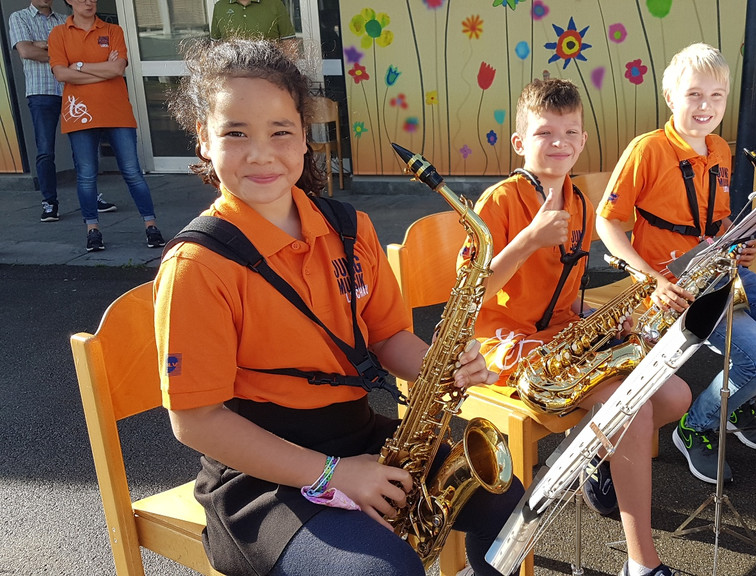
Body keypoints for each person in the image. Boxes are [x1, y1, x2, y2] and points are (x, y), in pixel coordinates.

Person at [158, 38, 522, 576]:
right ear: (204, 142)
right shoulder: (197, 265)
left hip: (357, 437)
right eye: (236, 133)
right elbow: (196, 422)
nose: (261, 152)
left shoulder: (351, 230)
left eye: (280, 131)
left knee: (510, 503)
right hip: (258, 479)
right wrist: (333, 474)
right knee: (383, 570)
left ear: (306, 138)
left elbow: (388, 339)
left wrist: (443, 366)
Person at [468, 77, 690, 576]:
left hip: (562, 333)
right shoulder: (498, 203)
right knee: (626, 410)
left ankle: (592, 456)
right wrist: (526, 241)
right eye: (546, 133)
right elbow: (470, 296)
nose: (560, 143)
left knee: (675, 396)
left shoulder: (581, 199)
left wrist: (610, 319)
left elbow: (567, 293)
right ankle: (642, 564)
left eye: (571, 132)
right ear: (520, 142)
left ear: (584, 140)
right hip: (502, 344)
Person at [596, 43, 756, 486]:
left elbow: (715, 217)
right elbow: (606, 222)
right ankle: (696, 425)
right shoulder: (646, 150)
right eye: (694, 95)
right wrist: (651, 279)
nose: (706, 106)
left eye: (717, 96)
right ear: (670, 98)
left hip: (721, 271)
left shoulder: (720, 149)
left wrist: (739, 240)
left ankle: (735, 401)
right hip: (674, 284)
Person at [48, 0, 162, 252]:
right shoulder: (58, 33)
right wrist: (103, 69)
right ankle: (92, 230)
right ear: (69, 1)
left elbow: (118, 68)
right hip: (80, 113)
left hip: (116, 111)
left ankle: (151, 225)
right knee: (87, 175)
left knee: (132, 172)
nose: (88, 2)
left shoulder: (113, 31)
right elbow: (61, 74)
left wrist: (78, 65)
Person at [8, 0, 116, 222]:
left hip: (73, 89)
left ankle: (92, 197)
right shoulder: (19, 18)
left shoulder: (64, 20)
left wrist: (45, 46)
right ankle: (49, 204)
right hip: (42, 92)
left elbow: (84, 53)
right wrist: (64, 54)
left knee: (83, 148)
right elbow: (26, 51)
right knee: (45, 150)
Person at [210, 0, 295, 42]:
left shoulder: (275, 4)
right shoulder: (220, 6)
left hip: (269, 72)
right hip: (233, 73)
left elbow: (289, 43)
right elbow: (216, 44)